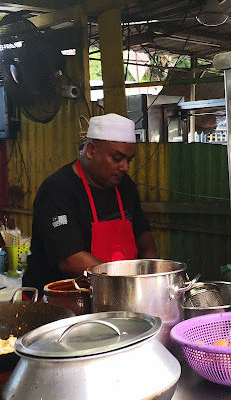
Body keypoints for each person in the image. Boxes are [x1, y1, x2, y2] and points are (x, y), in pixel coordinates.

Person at [23, 114, 157, 292]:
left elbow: (144, 238)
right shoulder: (57, 190)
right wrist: (124, 286)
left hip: (117, 294)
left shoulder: (125, 186)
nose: (125, 167)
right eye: (117, 158)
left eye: (128, 160)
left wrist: (152, 275)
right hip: (61, 302)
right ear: (91, 150)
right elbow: (70, 259)